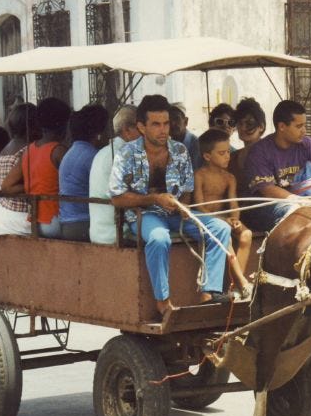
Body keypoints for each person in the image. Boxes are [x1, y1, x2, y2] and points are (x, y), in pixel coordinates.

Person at [108, 94, 232, 316]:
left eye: (165, 123)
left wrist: (183, 207)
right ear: (142, 127)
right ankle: (163, 301)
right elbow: (117, 197)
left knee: (221, 228)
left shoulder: (180, 150)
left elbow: (186, 189)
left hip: (176, 213)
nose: (163, 129)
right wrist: (155, 199)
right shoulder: (126, 153)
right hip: (143, 215)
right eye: (156, 124)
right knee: (159, 238)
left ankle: (209, 291)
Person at [243, 99, 311, 232]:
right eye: (299, 126)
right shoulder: (259, 152)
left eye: (304, 125)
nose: (304, 131)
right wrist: (300, 201)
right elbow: (267, 190)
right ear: (282, 126)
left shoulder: (306, 144)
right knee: (299, 213)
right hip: (266, 207)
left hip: (299, 201)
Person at [194, 129, 253, 299]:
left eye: (228, 152)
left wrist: (235, 219)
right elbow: (199, 206)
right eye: (221, 153)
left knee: (246, 234)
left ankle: (233, 289)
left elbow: (233, 204)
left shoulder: (229, 177)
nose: (227, 156)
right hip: (208, 220)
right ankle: (242, 283)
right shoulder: (199, 175)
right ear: (207, 156)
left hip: (225, 218)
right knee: (224, 235)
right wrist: (223, 220)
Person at [1, 97, 71, 238]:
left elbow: (6, 187)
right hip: (55, 220)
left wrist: (31, 186)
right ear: (65, 124)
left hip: (35, 222)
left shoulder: (29, 150)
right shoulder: (59, 151)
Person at [89, 105, 141, 245]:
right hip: (117, 232)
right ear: (127, 130)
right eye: (140, 127)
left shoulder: (105, 152)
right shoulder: (122, 153)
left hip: (100, 231)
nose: (145, 132)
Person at [58, 104, 110, 242]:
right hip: (82, 223)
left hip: (67, 223)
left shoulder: (72, 151)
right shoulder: (92, 156)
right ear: (99, 133)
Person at [0, 103, 38, 236]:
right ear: (33, 127)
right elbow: (10, 187)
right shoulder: (27, 150)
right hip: (17, 218)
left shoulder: (6, 149)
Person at [228, 97, 266, 192]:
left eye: (249, 123)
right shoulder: (231, 157)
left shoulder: (271, 154)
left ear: (261, 126)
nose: (243, 128)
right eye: (240, 124)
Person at [168, 102, 202, 171]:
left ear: (186, 121)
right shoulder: (167, 145)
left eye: (176, 119)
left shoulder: (197, 145)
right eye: (168, 120)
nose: (172, 123)